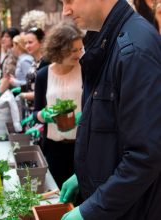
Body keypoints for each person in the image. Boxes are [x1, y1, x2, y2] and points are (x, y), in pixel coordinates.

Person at [59, 0, 161, 219]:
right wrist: (84, 174)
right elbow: (111, 129)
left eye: (69, 0)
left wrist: (91, 210)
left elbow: (145, 156)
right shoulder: (109, 41)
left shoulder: (134, 49)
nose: (65, 11)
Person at [32, 20, 83, 188]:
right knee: (58, 196)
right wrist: (44, 115)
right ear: (59, 50)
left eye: (80, 49)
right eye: (73, 50)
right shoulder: (43, 75)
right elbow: (36, 114)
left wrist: (83, 116)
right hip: (54, 149)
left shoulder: (85, 71)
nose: (78, 54)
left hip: (82, 148)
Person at [0, 27, 20, 94]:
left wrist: (0, 91)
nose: (3, 39)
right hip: (7, 90)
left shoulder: (14, 54)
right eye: (3, 36)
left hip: (12, 91)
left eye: (7, 37)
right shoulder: (9, 52)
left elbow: (8, 75)